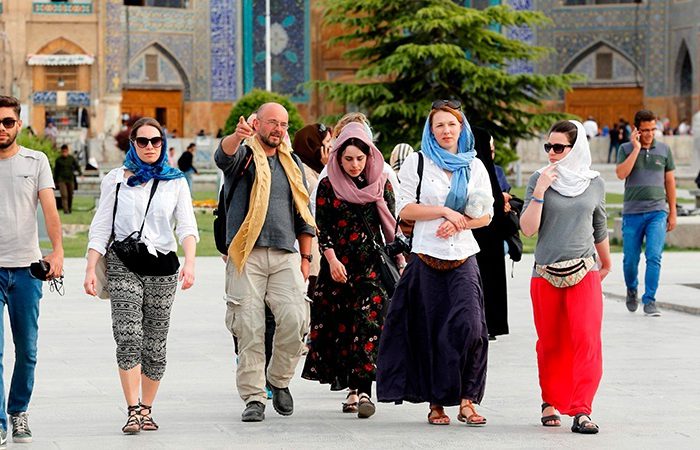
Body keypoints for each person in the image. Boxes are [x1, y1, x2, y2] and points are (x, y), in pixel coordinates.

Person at [376, 99, 492, 426]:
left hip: (463, 255)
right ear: (431, 129)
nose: (446, 130)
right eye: (439, 125)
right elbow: (405, 209)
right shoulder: (419, 163)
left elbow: (486, 214)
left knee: (471, 327)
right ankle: (436, 403)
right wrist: (444, 211)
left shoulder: (474, 166)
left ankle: (467, 400)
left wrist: (461, 223)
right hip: (426, 257)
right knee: (430, 331)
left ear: (461, 128)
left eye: (451, 124)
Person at [83, 117, 198, 434]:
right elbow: (101, 226)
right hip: (123, 262)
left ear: (164, 144)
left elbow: (186, 226)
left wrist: (190, 262)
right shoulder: (116, 180)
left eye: (156, 141)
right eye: (143, 141)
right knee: (128, 335)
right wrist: (91, 267)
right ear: (132, 143)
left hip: (163, 267)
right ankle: (133, 409)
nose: (150, 147)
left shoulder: (175, 181)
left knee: (156, 342)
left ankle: (147, 409)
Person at [216, 102, 316, 423]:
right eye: (272, 122)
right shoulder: (244, 156)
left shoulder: (293, 163)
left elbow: (303, 214)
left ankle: (279, 379)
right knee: (248, 326)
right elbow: (223, 157)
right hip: (247, 254)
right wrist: (235, 136)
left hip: (285, 253)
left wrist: (306, 257)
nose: (278, 129)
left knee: (296, 318)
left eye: (284, 124)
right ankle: (254, 396)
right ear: (257, 123)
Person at [302, 123, 401, 418]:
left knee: (368, 325)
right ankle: (351, 391)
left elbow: (390, 226)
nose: (355, 165)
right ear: (338, 158)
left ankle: (364, 392)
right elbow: (324, 227)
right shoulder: (328, 184)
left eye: (360, 159)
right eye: (348, 159)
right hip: (339, 267)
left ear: (368, 156)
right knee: (344, 329)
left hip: (371, 265)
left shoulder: (380, 182)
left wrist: (401, 261)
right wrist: (331, 260)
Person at [520, 119, 610, 434]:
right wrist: (541, 191)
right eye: (549, 147)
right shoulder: (538, 179)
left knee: (586, 339)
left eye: (559, 147)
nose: (552, 153)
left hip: (584, 269)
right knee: (551, 343)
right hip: (545, 272)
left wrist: (606, 261)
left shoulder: (594, 182)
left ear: (575, 149)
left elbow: (599, 224)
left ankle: (582, 410)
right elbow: (528, 229)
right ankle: (550, 401)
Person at [0, 95, 64, 445]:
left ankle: (18, 411)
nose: (1, 129)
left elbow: (49, 210)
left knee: (27, 350)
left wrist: (57, 251)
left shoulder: (35, 160)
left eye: (7, 122)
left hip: (25, 271)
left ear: (18, 125)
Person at [616, 110, 676, 316]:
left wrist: (673, 212)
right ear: (636, 130)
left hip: (657, 212)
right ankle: (631, 289)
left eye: (652, 129)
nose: (649, 134)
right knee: (630, 259)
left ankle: (650, 300)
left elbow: (670, 182)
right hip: (632, 213)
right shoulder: (625, 148)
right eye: (645, 130)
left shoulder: (665, 150)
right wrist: (636, 149)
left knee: (654, 256)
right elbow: (621, 174)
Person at [471, 128, 510, 340]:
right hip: (489, 238)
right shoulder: (484, 173)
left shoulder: (476, 171)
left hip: (479, 235)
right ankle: (492, 323)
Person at [291, 122, 332, 295]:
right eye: (328, 142)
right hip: (310, 242)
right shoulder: (302, 171)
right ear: (314, 146)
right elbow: (325, 197)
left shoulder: (318, 168)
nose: (331, 147)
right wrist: (329, 168)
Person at [53, 144, 81, 214]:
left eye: (66, 151)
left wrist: (80, 173)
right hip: (61, 180)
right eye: (63, 152)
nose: (64, 153)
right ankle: (66, 210)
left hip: (70, 179)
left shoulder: (71, 159)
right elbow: (56, 171)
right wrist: (55, 181)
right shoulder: (58, 160)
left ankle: (69, 208)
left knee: (70, 195)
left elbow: (77, 166)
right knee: (64, 195)